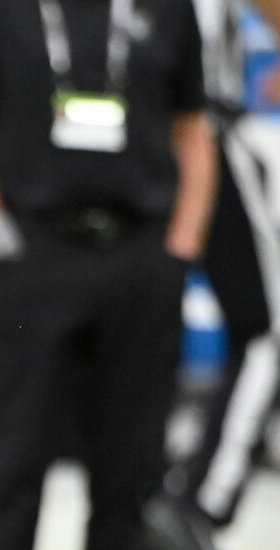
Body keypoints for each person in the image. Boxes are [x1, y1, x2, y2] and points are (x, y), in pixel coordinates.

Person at [0, 0, 216, 548]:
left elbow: (192, 131)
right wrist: (0, 244)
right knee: (14, 460)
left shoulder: (168, 10)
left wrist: (178, 252)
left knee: (131, 468)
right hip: (36, 254)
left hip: (139, 254)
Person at [145, 1, 280, 548]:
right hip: (187, 133)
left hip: (147, 142)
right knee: (264, 330)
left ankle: (163, 500)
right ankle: (194, 501)